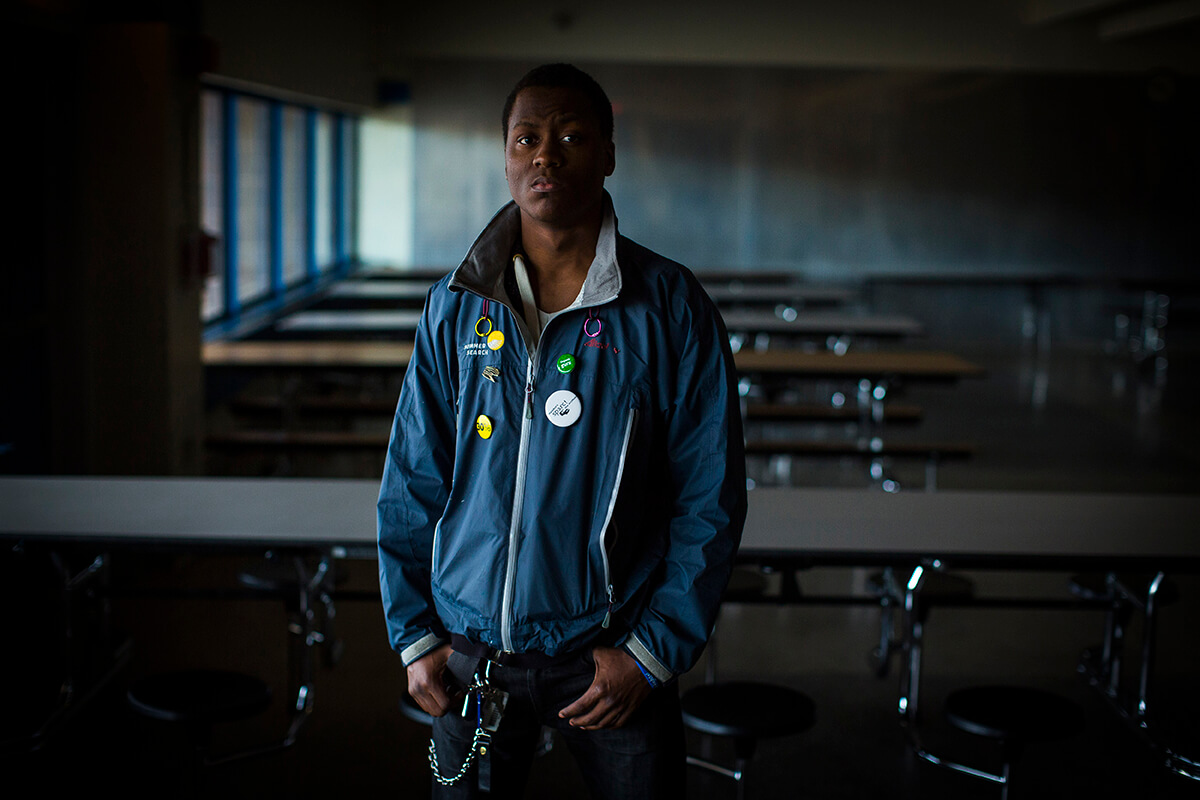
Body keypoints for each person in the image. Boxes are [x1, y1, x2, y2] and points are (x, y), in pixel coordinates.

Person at [378, 62, 746, 799]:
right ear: (507, 156)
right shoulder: (455, 308)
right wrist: (415, 635)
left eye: (572, 137)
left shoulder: (669, 308)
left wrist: (649, 656)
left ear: (608, 155)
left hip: (607, 658)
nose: (547, 155)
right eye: (528, 137)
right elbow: (414, 476)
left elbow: (708, 497)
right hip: (470, 653)